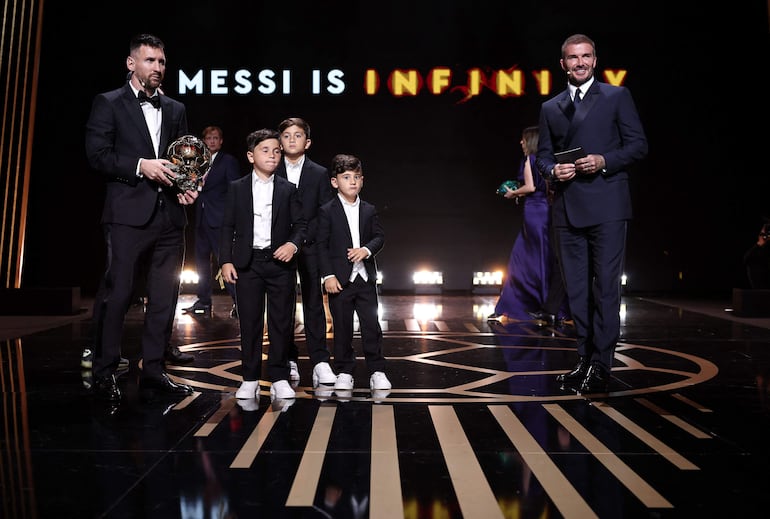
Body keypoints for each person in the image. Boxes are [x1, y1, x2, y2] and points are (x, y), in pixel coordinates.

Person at [85, 33, 198, 402]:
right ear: (131, 63)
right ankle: (104, 371)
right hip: (127, 215)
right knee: (118, 295)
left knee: (165, 298)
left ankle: (153, 370)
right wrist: (140, 166)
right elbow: (97, 155)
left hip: (169, 217)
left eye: (162, 62)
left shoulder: (176, 108)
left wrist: (185, 186)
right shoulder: (109, 103)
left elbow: (181, 160)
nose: (158, 68)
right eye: (150, 61)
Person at [537, 33, 648, 393]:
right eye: (573, 57)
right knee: (577, 292)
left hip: (608, 207)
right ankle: (583, 360)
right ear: (563, 64)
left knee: (605, 291)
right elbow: (542, 157)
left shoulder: (617, 96)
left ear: (595, 60)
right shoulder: (551, 107)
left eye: (586, 56)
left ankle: (602, 364)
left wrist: (604, 161)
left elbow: (638, 146)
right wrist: (554, 171)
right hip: (567, 209)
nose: (580, 62)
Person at [219, 129, 306, 401]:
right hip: (248, 263)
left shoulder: (288, 189)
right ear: (250, 155)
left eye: (277, 151)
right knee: (250, 322)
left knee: (281, 322)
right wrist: (225, 260)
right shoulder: (236, 187)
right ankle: (250, 378)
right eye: (265, 150)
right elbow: (227, 227)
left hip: (280, 264)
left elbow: (302, 226)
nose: (273, 155)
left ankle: (279, 377)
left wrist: (292, 244)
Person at [317, 154, 390, 393]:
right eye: (346, 177)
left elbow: (379, 237)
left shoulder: (369, 209)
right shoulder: (327, 210)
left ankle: (377, 370)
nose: (352, 182)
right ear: (335, 182)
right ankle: (344, 371)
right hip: (340, 281)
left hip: (365, 280)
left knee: (371, 326)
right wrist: (327, 276)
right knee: (342, 328)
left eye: (357, 177)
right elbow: (322, 245)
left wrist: (366, 250)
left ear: (362, 180)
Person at [274, 117, 336, 387]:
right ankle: (288, 359)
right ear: (279, 141)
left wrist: (301, 240)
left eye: (297, 135)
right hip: (279, 247)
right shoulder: (271, 168)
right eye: (286, 135)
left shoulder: (320, 173)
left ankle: (320, 361)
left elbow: (324, 213)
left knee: (313, 304)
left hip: (309, 247)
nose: (291, 140)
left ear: (307, 142)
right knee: (282, 306)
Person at [489, 126, 567, 325]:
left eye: (523, 139)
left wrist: (513, 193)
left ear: (530, 141)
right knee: (544, 256)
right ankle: (548, 306)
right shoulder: (546, 162)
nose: (521, 143)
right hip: (546, 210)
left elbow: (531, 187)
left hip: (533, 212)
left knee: (522, 258)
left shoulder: (529, 160)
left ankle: (518, 305)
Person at [184, 125, 241, 318]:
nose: (212, 141)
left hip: (220, 220)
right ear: (203, 141)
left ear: (221, 141)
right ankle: (204, 301)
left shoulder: (228, 161)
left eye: (216, 138)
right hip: (200, 219)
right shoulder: (197, 162)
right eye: (209, 138)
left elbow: (235, 190)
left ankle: (239, 303)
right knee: (201, 264)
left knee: (225, 261)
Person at [743, 221, 770, 289]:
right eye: (762, 234)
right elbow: (746, 259)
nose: (765, 236)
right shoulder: (757, 249)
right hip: (761, 290)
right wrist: (758, 244)